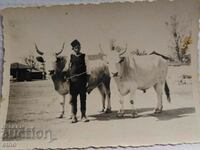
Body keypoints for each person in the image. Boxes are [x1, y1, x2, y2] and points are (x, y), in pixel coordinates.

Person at [69, 39, 89, 123]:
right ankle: (74, 116)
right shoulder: (70, 57)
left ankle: (83, 116)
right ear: (73, 49)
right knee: (73, 99)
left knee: (83, 99)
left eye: (79, 47)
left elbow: (88, 70)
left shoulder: (84, 56)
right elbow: (68, 69)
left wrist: (87, 81)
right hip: (73, 82)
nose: (78, 49)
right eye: (76, 48)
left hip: (82, 81)